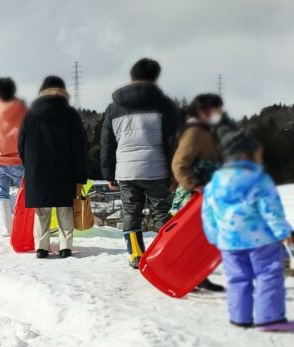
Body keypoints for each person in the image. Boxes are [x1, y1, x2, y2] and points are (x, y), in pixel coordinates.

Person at [201, 131, 292, 328]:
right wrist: (284, 232)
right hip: (261, 239)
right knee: (268, 274)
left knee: (237, 278)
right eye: (258, 155)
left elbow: (208, 213)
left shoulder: (215, 182)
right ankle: (270, 318)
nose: (260, 159)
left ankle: (240, 318)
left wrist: (215, 236)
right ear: (245, 155)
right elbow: (271, 210)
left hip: (229, 241)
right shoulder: (258, 179)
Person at [101, 58, 181, 269]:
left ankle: (136, 255)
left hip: (126, 171)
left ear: (132, 76)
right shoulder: (165, 105)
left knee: (130, 213)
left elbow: (106, 143)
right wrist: (175, 173)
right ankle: (169, 253)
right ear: (155, 77)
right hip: (156, 169)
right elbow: (173, 142)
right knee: (161, 213)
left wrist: (109, 173)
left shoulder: (114, 107)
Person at [19, 76, 89, 259]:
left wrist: (30, 166)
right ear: (63, 91)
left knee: (41, 211)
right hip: (64, 170)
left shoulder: (30, 115)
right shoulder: (70, 114)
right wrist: (81, 176)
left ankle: (41, 247)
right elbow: (80, 147)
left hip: (37, 170)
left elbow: (21, 144)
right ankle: (65, 247)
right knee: (64, 209)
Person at [171, 93, 227, 292]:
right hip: (193, 196)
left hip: (204, 194)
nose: (219, 113)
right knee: (192, 240)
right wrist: (193, 185)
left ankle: (198, 276)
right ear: (204, 111)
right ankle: (185, 276)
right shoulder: (194, 132)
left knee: (201, 239)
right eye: (216, 109)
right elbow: (179, 164)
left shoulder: (204, 131)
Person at [0, 77, 29, 235]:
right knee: (27, 193)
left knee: (1, 194)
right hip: (20, 160)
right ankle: (27, 224)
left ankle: (7, 229)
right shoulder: (23, 109)